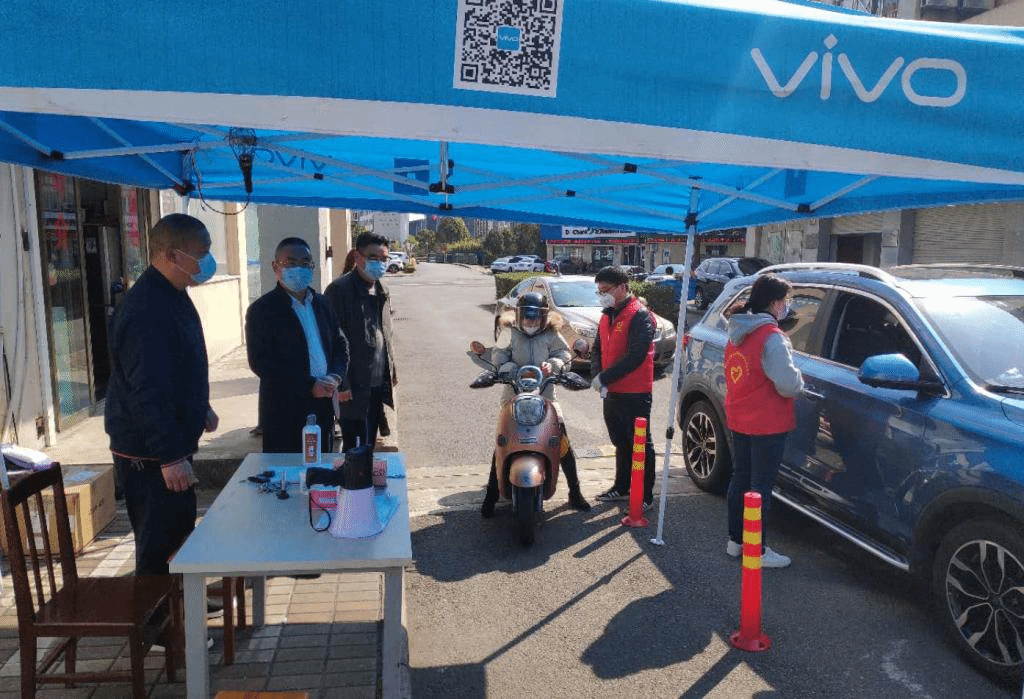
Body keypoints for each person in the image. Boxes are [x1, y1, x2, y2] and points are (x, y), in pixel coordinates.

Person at [105, 213, 219, 578]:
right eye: (201, 252)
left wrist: (200, 405)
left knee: (180, 537)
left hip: (171, 443)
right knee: (159, 544)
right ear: (171, 255)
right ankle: (159, 614)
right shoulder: (146, 309)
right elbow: (147, 391)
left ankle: (184, 601)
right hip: (150, 455)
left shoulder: (173, 293)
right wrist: (169, 457)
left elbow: (177, 367)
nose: (207, 261)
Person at [479, 292, 591, 517]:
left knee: (561, 439)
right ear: (518, 315)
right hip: (513, 393)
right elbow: (498, 355)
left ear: (544, 317)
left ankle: (575, 491)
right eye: (527, 318)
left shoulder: (551, 333)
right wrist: (509, 369)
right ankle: (491, 493)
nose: (531, 323)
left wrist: (553, 364)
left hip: (546, 393)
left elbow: (563, 353)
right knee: (504, 441)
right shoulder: (508, 331)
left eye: (536, 318)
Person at [722, 273, 803, 569]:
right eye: (785, 300)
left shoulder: (738, 329)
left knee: (740, 479)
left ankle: (736, 541)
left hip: (740, 416)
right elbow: (789, 384)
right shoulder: (771, 336)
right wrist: (800, 381)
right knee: (760, 487)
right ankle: (757, 549)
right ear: (775, 303)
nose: (787, 306)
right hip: (767, 421)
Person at [246, 237, 350, 455]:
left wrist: (336, 376)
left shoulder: (322, 303)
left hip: (323, 406)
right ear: (275, 267)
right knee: (287, 470)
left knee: (322, 465)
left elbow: (340, 344)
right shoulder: (262, 310)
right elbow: (262, 364)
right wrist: (309, 386)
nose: (298, 268)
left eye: (305, 263)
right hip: (285, 411)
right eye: (290, 263)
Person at [590, 266, 657, 511]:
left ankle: (645, 495)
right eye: (599, 291)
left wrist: (605, 376)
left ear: (623, 287)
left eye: (606, 290)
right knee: (620, 441)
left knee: (640, 444)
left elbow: (636, 356)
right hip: (612, 391)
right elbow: (597, 348)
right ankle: (621, 487)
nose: (603, 295)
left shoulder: (639, 315)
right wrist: (597, 375)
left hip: (635, 393)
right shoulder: (607, 315)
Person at [324, 232, 398, 452]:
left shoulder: (382, 289)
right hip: (352, 386)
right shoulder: (339, 291)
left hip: (376, 383)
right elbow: (330, 341)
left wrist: (391, 369)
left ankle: (365, 473)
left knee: (368, 442)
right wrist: (341, 383)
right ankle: (354, 474)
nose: (380, 263)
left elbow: (385, 333)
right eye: (374, 257)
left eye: (384, 258)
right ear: (357, 257)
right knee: (353, 447)